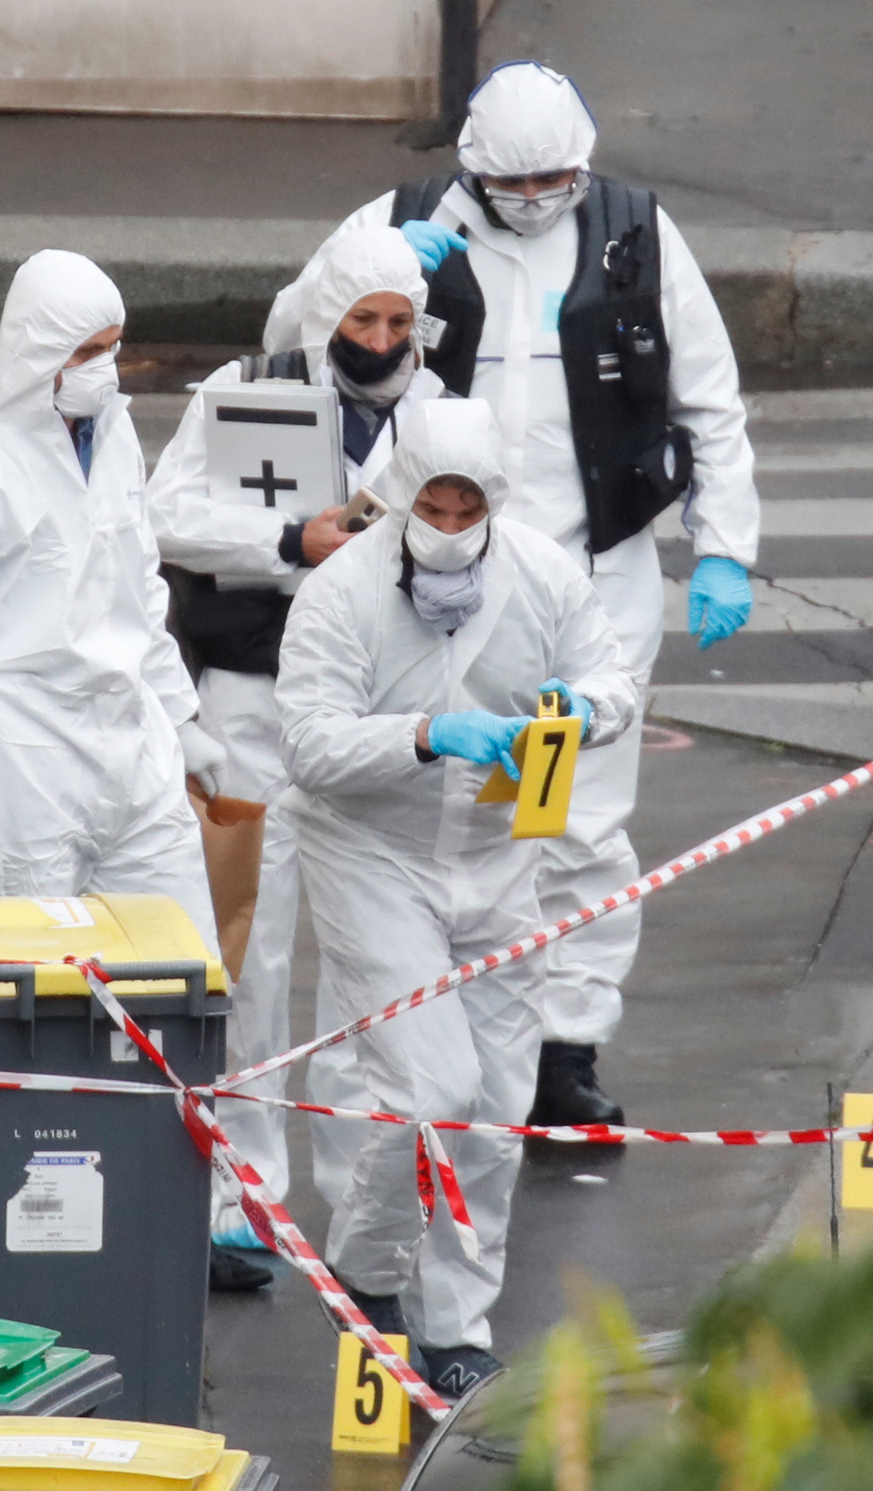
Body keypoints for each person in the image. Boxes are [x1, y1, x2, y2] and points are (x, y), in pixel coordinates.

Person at [265, 59, 761, 1127]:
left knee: (575, 817)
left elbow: (708, 403)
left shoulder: (637, 236)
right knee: (428, 806)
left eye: (555, 182)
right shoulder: (402, 220)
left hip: (588, 572)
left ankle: (564, 1046)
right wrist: (369, 275)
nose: (535, 202)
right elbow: (284, 339)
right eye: (513, 185)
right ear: (472, 170)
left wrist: (722, 544)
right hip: (433, 571)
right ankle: (426, 1021)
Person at [276, 397, 636, 1396]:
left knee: (495, 1107)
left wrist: (586, 709)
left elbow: (610, 676)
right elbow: (306, 744)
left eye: (465, 509)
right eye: (430, 508)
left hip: (496, 854)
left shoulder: (542, 574)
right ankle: (367, 1268)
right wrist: (426, 734)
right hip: (372, 854)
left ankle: (454, 1328)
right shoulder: (342, 591)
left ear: (494, 502)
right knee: (431, 1090)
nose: (447, 526)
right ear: (400, 497)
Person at [145, 225, 444, 1272]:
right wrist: (288, 543)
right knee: (249, 947)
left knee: (372, 953)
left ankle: (366, 1193)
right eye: (362, 319)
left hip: (372, 714)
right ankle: (240, 1188)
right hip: (252, 698)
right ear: (325, 317)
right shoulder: (245, 392)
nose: (381, 341)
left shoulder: (440, 412)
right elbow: (165, 516)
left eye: (398, 322)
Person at [0, 248, 219, 946]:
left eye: (113, 348)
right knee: (38, 984)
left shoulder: (114, 437)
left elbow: (139, 587)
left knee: (181, 961)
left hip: (135, 757)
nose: (105, 368)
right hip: (29, 773)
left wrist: (178, 714)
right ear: (36, 352)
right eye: (85, 352)